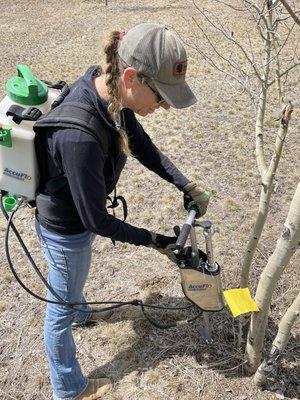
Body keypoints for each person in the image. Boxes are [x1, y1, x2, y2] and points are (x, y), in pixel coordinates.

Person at [35, 23, 210, 400]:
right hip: (65, 228)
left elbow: (144, 148)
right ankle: (67, 389)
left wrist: (185, 183)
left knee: (71, 282)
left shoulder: (114, 96)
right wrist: (157, 241)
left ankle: (81, 314)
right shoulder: (80, 135)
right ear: (132, 77)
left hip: (78, 214)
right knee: (59, 306)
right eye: (161, 97)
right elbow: (95, 220)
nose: (162, 108)